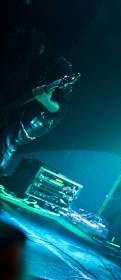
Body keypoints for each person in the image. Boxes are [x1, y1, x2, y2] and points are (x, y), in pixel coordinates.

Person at [0, 25, 74, 172]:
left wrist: (46, 100)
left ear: (41, 47)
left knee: (8, 136)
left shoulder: (60, 67)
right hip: (17, 103)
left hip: (43, 114)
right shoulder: (19, 55)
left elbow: (60, 108)